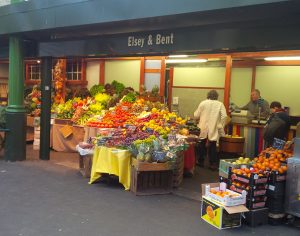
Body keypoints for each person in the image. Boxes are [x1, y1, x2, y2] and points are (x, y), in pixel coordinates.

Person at [194, 90, 227, 170]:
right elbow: (224, 116)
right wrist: (220, 125)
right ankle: (212, 164)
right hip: (214, 126)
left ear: (208, 95)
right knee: (213, 145)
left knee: (201, 143)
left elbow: (196, 115)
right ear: (216, 96)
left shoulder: (203, 103)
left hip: (203, 126)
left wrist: (197, 118)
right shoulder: (220, 104)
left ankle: (200, 161)